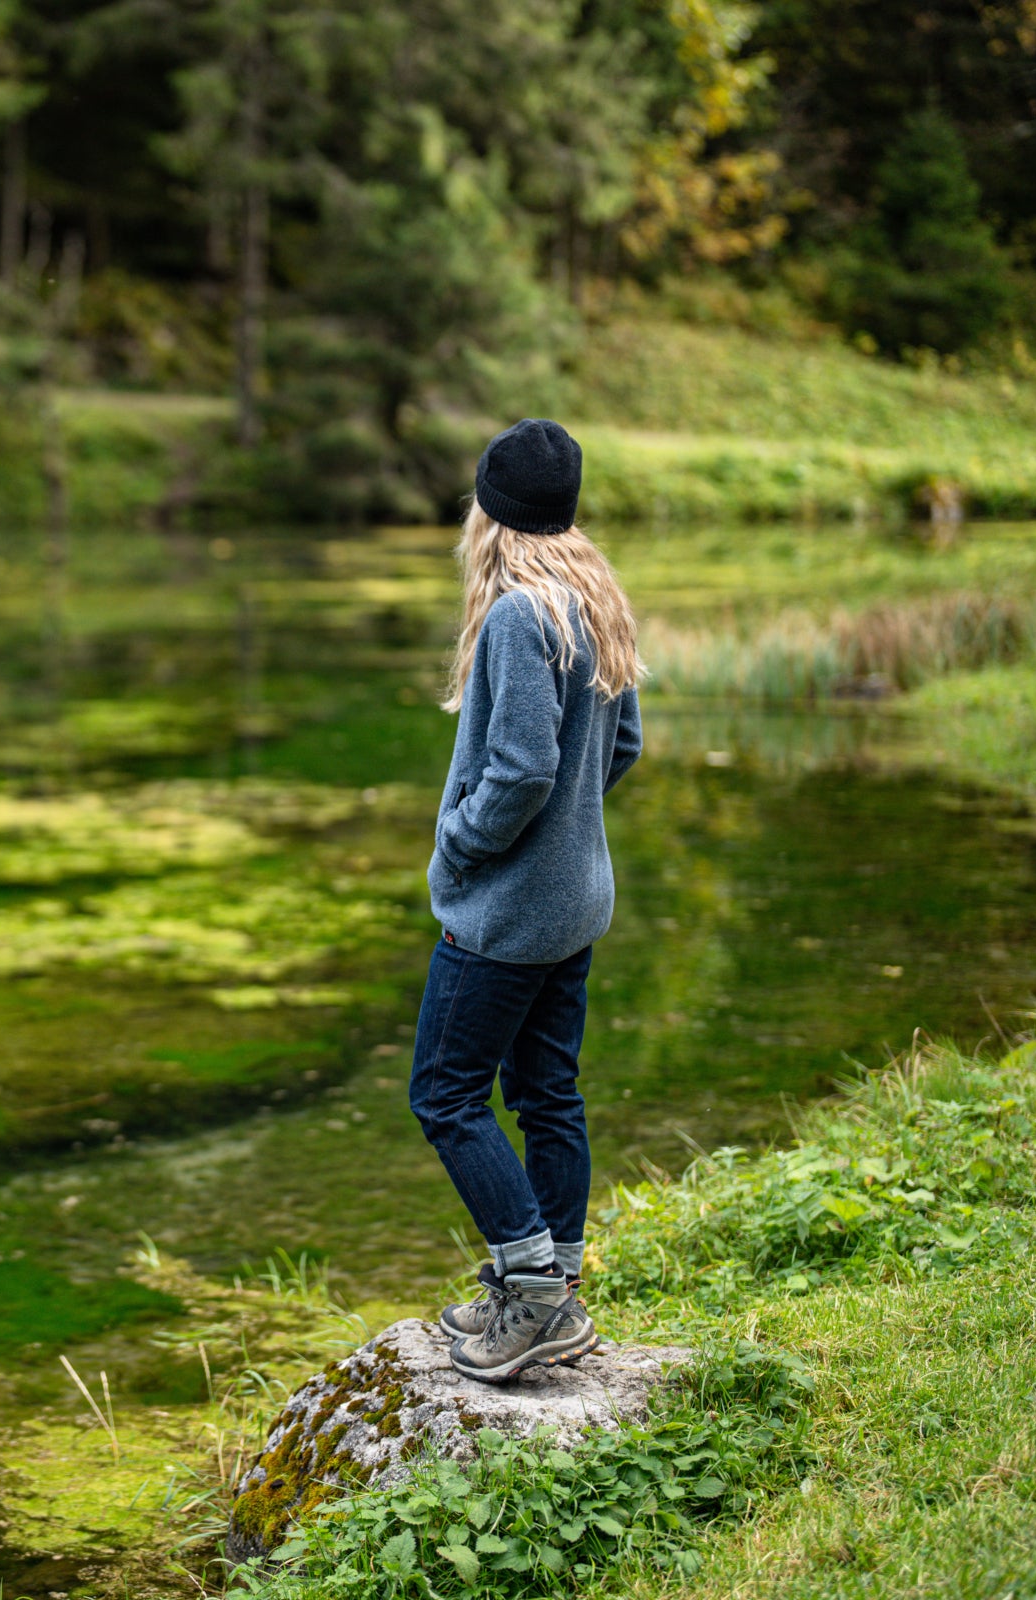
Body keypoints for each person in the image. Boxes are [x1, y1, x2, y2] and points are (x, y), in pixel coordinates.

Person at [411, 418, 644, 1384]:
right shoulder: (595, 600)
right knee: (548, 1093)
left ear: (490, 512)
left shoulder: (516, 615)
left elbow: (518, 770)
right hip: (577, 902)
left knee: (446, 1092)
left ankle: (533, 1292)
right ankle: (556, 1288)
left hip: (506, 915)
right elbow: (621, 747)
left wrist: (460, 844)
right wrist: (566, 843)